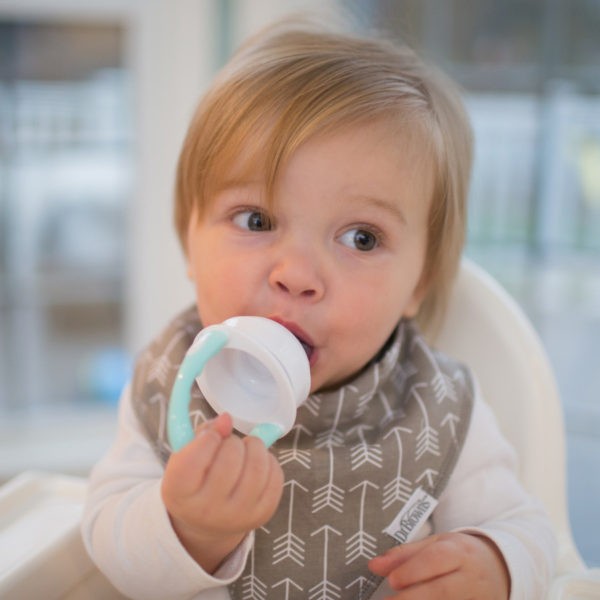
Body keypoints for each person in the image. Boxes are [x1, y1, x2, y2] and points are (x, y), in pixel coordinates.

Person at [82, 17, 556, 600]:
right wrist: (189, 530)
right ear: (189, 240)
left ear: (419, 285)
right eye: (256, 221)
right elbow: (104, 544)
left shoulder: (437, 404)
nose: (297, 276)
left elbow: (533, 531)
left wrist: (497, 564)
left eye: (361, 238)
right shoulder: (166, 385)